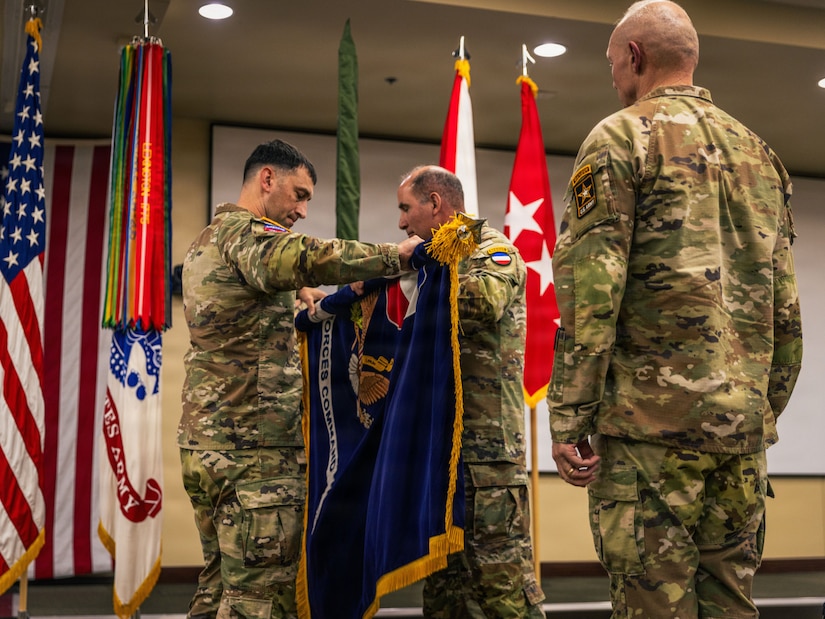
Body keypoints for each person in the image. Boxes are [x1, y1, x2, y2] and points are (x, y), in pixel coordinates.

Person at [547, 1, 803, 618]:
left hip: (647, 438)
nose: (614, 78)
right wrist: (757, 409)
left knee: (651, 608)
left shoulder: (619, 136)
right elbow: (785, 309)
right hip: (739, 439)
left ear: (634, 55)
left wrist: (569, 416)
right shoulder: (760, 155)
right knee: (731, 606)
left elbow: (591, 291)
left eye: (613, 64)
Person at [178, 138, 422, 619]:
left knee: (218, 590)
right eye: (300, 193)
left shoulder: (209, 239)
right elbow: (310, 255)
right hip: (254, 456)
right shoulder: (249, 236)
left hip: (208, 447)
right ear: (267, 179)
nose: (304, 210)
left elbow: (233, 319)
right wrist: (395, 257)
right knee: (260, 600)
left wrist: (285, 301)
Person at [397, 165, 545, 618]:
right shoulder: (433, 256)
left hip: (486, 454)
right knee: (445, 594)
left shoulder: (493, 249)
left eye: (407, 208)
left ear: (436, 203)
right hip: (440, 453)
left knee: (502, 590)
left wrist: (418, 269)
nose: (402, 223)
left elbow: (481, 302)